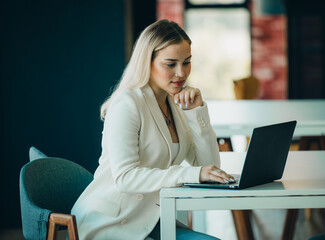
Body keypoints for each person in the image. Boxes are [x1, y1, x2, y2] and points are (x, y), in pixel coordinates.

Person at [71, 19, 234, 240]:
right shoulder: (127, 104)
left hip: (152, 219)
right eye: (170, 64)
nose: (181, 73)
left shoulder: (174, 104)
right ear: (147, 62)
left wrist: (197, 113)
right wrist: (192, 174)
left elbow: (207, 165)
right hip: (112, 222)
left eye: (186, 62)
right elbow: (126, 177)